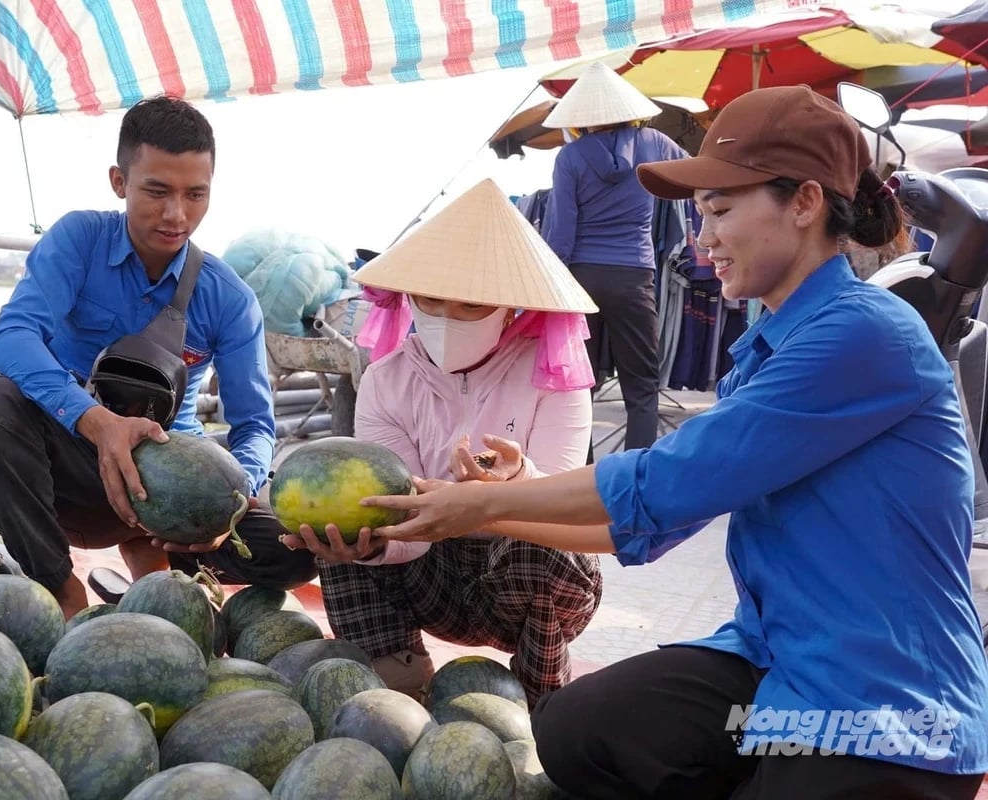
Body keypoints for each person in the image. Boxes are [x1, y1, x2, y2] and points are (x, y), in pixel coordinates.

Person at [363, 87, 988, 798]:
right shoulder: (767, 352)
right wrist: (483, 503)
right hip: (774, 667)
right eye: (699, 217)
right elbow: (648, 524)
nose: (703, 240)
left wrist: (473, 508)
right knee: (577, 728)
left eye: (720, 211)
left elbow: (664, 479)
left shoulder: (865, 333)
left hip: (885, 703)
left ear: (806, 203)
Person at [0, 96, 316, 619]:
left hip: (171, 488)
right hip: (75, 470)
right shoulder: (79, 240)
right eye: (157, 191)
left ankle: (155, 561)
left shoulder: (229, 298)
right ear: (119, 182)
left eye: (196, 195)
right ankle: (62, 591)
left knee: (292, 551)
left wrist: (230, 499)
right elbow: (10, 336)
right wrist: (96, 422)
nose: (177, 214)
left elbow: (255, 426)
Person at [280, 178, 605, 704]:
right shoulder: (386, 380)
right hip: (429, 574)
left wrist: (517, 483)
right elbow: (404, 523)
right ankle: (395, 683)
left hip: (519, 578)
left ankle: (541, 699)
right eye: (431, 300)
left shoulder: (554, 379)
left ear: (510, 307)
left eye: (472, 306)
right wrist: (370, 545)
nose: (448, 318)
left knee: (543, 550)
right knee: (347, 526)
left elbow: (567, 512)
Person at [541, 62, 688, 451]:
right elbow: (693, 178)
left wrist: (552, 291)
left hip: (581, 278)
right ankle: (635, 471)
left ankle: (579, 472)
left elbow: (561, 232)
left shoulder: (569, 159)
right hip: (634, 276)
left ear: (580, 118)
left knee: (579, 383)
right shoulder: (655, 143)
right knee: (641, 385)